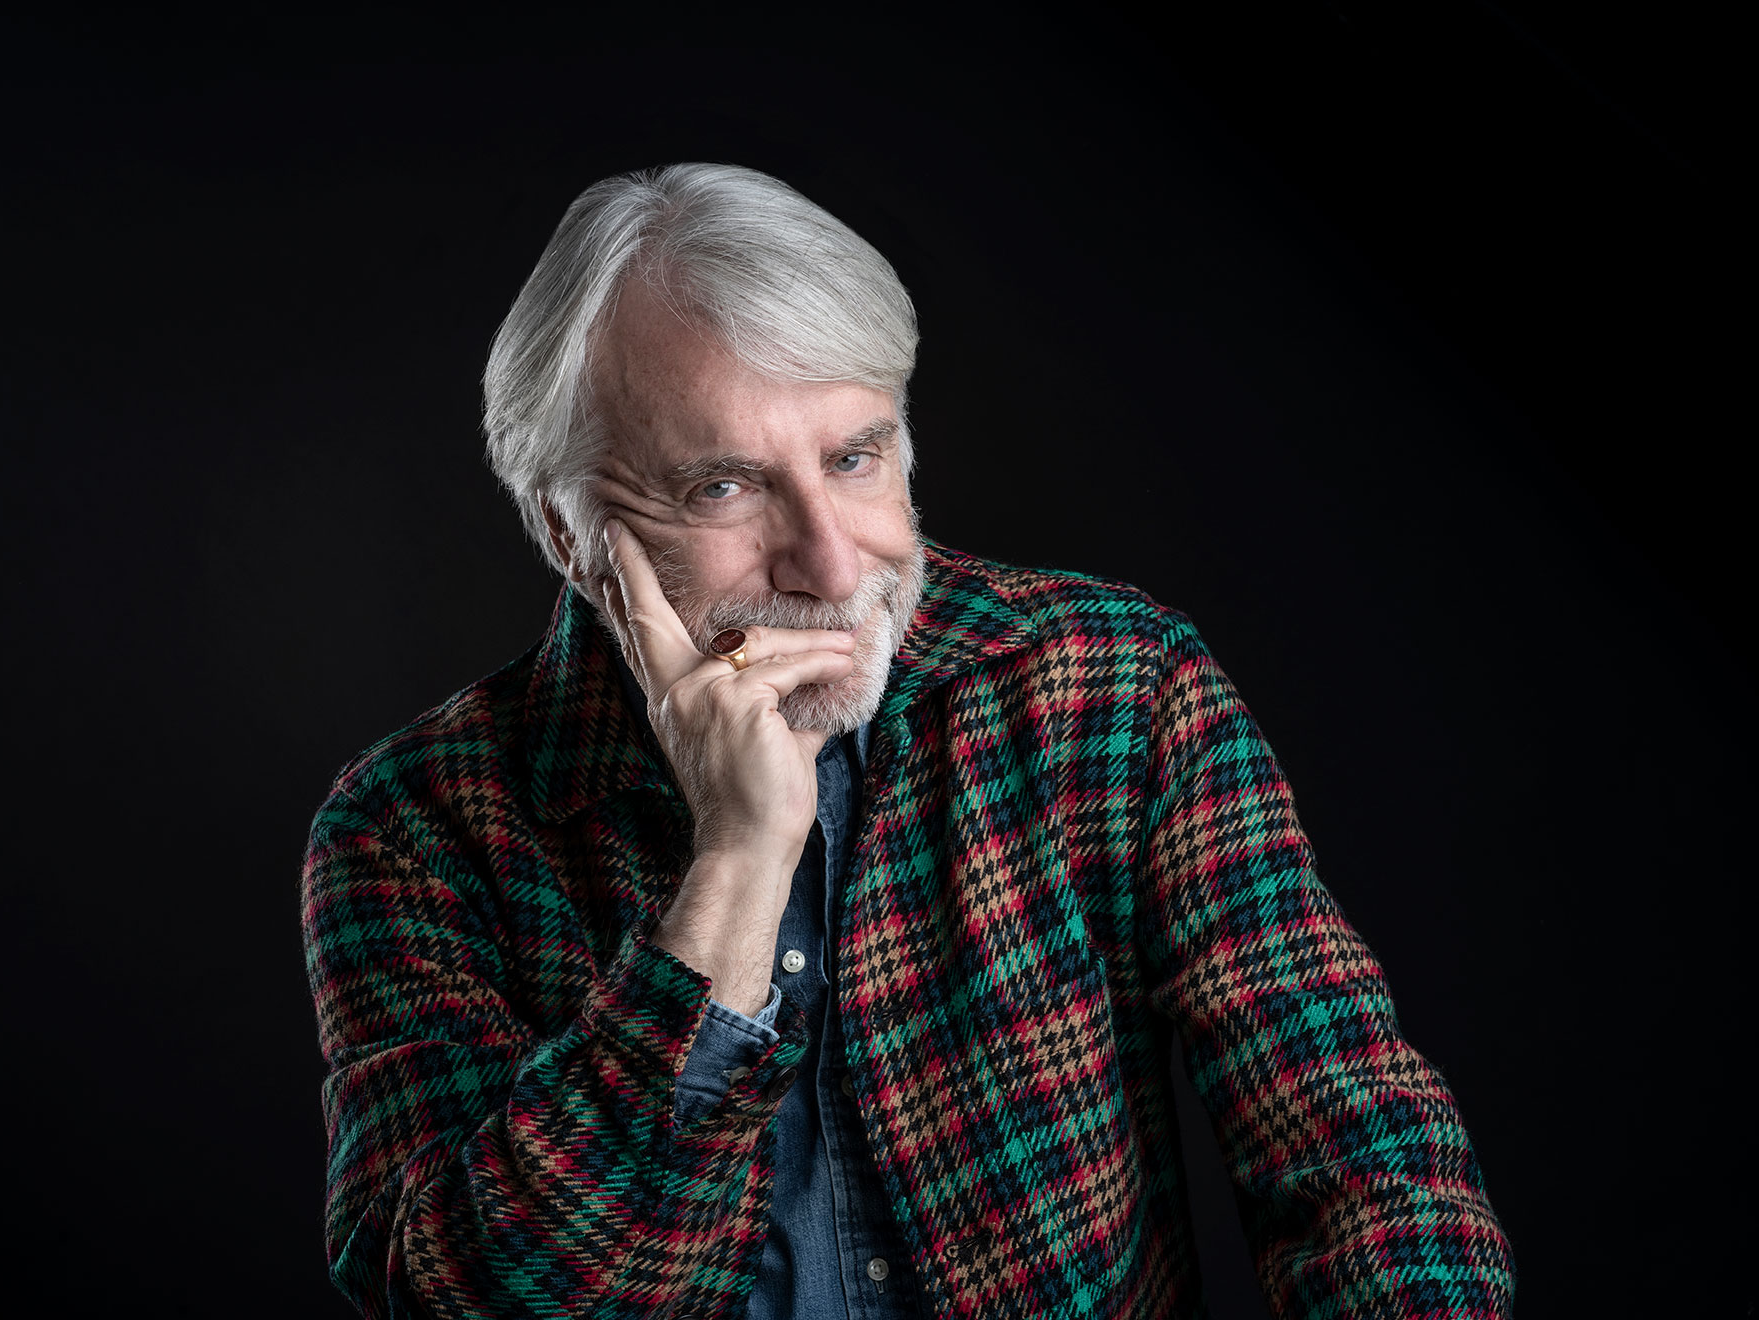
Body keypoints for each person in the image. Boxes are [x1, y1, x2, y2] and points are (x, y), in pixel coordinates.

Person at [300, 163, 1514, 1319]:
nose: (835, 568)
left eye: (853, 458)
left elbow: (1361, 1153)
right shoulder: (414, 828)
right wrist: (736, 867)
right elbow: (471, 1297)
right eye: (726, 487)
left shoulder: (1111, 683)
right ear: (573, 538)